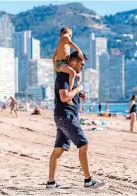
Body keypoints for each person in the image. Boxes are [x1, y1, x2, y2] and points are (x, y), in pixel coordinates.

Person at [46, 51, 104, 188]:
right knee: (84, 144)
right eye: (81, 64)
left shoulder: (71, 77)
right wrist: (78, 88)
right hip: (66, 116)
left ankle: (51, 183)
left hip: (63, 116)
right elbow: (64, 97)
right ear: (73, 62)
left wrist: (79, 93)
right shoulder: (64, 75)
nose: (83, 66)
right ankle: (88, 181)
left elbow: (70, 95)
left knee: (58, 150)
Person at [53, 26, 84, 105]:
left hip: (61, 63)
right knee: (73, 73)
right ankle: (70, 94)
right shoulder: (65, 37)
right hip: (61, 63)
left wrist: (55, 69)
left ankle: (75, 90)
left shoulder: (61, 42)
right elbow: (70, 43)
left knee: (78, 76)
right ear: (70, 33)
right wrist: (78, 49)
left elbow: (54, 56)